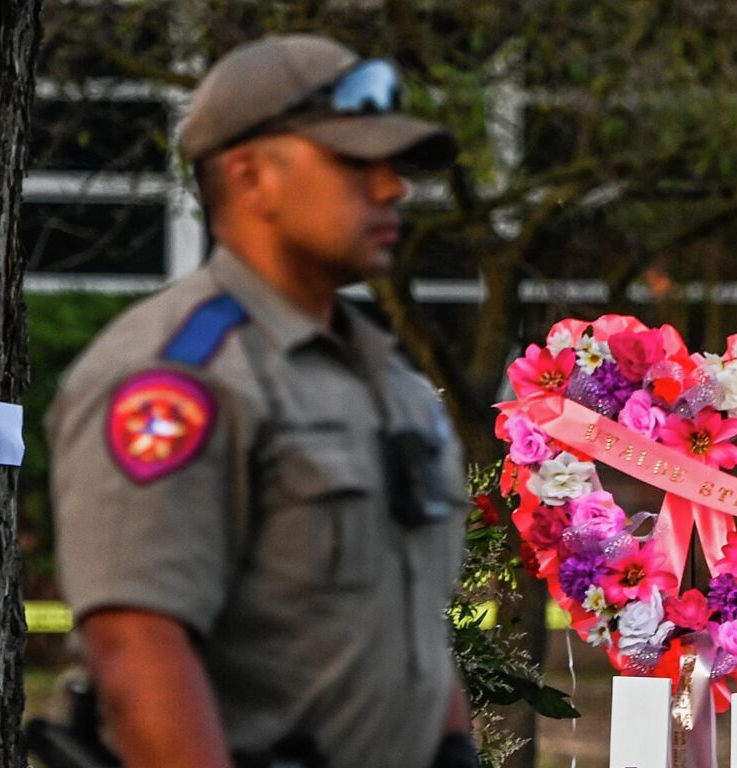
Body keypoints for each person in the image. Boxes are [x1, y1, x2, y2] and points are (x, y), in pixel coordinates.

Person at [44, 34, 478, 768]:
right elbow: (136, 646)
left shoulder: (394, 385)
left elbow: (412, 631)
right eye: (354, 161)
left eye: (393, 164)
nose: (392, 188)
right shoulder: (176, 378)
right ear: (251, 177)